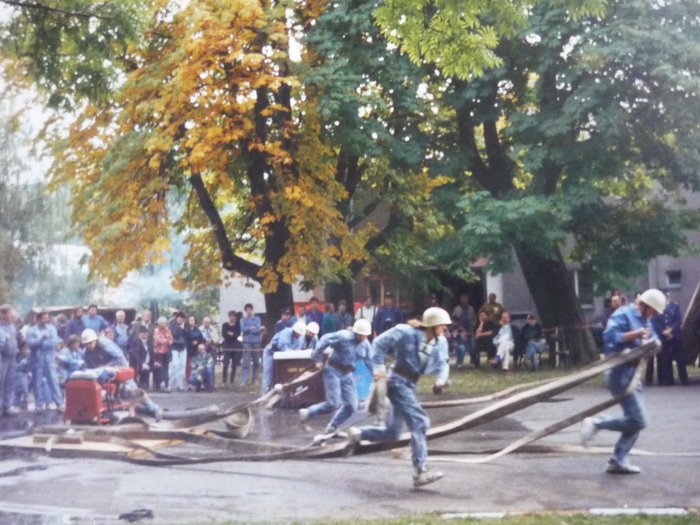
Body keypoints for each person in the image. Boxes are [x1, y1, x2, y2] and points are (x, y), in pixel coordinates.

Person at [348, 307, 451, 487]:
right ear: (432, 325)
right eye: (442, 325)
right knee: (420, 422)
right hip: (397, 382)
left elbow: (443, 364)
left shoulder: (440, 342)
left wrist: (440, 381)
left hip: (410, 385)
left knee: (393, 432)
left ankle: (359, 433)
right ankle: (420, 472)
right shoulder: (406, 332)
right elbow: (379, 343)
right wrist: (379, 368)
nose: (446, 328)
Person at [580, 288, 666, 474]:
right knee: (639, 420)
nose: (653, 315)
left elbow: (651, 337)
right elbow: (608, 336)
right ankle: (597, 423)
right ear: (645, 305)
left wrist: (654, 343)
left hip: (634, 374)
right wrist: (635, 334)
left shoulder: (646, 319)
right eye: (653, 311)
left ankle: (617, 460)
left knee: (635, 420)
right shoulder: (623, 314)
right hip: (618, 373)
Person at [300, 319, 373, 434]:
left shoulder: (366, 345)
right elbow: (325, 339)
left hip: (347, 374)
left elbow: (370, 361)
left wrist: (379, 375)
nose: (362, 338)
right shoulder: (344, 337)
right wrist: (317, 358)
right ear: (355, 332)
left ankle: (332, 427)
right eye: (360, 335)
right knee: (333, 403)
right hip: (333, 370)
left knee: (351, 406)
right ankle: (308, 412)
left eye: (365, 336)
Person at [81, 329, 162, 420]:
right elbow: (89, 368)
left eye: (90, 343)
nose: (88, 346)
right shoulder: (85, 353)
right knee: (106, 391)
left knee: (132, 391)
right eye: (86, 344)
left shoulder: (105, 344)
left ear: (95, 340)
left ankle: (154, 408)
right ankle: (109, 411)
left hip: (119, 368)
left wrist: (106, 367)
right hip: (104, 372)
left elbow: (119, 357)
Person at [26, 310, 63, 412]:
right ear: (38, 319)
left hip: (49, 359)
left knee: (53, 382)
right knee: (37, 382)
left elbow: (53, 343)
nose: (46, 320)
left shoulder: (52, 329)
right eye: (43, 318)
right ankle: (39, 404)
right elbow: (31, 344)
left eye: (47, 318)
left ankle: (59, 404)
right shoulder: (31, 330)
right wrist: (42, 339)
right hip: (36, 360)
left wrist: (40, 344)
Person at [648, 293, 686, 386]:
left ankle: (684, 378)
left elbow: (678, 320)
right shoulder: (657, 308)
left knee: (680, 359)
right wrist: (662, 331)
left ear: (668, 296)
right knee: (666, 359)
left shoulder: (675, 306)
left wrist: (671, 329)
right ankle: (668, 379)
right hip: (664, 337)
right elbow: (654, 321)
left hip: (675, 336)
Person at [261, 320, 307, 393]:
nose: (299, 335)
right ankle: (265, 393)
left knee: (281, 375)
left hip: (282, 356)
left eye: (300, 334)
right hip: (271, 352)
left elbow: (298, 349)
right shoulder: (286, 332)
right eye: (298, 333)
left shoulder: (301, 337)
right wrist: (291, 353)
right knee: (268, 375)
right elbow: (282, 345)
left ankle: (279, 392)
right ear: (294, 330)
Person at [0, 304, 20, 416]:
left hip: (12, 358)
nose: (12, 315)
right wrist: (4, 340)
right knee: (0, 382)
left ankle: (7, 406)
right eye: (10, 313)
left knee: (10, 383)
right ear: (2, 314)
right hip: (2, 359)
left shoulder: (12, 326)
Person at [240, 303, 262, 385]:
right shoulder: (242, 320)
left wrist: (249, 329)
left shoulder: (257, 319)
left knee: (256, 362)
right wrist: (252, 327)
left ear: (252, 310)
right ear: (245, 311)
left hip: (256, 342)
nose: (249, 311)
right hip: (247, 342)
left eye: (250, 310)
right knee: (246, 362)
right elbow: (243, 329)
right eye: (247, 310)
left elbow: (258, 329)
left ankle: (255, 379)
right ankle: (244, 379)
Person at [452, 293, 476, 362]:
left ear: (467, 300)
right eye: (462, 299)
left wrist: (472, 326)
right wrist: (456, 326)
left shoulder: (471, 309)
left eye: (465, 299)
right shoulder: (457, 308)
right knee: (459, 345)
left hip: (469, 330)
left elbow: (474, 320)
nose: (463, 300)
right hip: (459, 331)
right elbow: (454, 319)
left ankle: (473, 359)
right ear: (460, 300)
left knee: (472, 346)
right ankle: (459, 359)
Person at [168, 312, 188, 391]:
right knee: (174, 366)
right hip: (174, 348)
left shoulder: (185, 326)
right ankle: (169, 384)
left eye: (182, 318)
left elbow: (188, 335)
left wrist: (183, 328)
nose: (181, 320)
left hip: (183, 348)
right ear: (177, 318)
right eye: (179, 318)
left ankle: (179, 385)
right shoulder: (172, 325)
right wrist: (180, 341)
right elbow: (171, 337)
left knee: (182, 366)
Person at [221, 311, 242, 384]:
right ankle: (224, 381)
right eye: (231, 316)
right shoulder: (225, 325)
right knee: (225, 364)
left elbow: (238, 334)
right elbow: (224, 334)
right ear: (229, 316)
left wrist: (231, 334)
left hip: (235, 345)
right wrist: (232, 334)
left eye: (234, 316)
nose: (232, 317)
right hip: (226, 345)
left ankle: (232, 381)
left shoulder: (237, 325)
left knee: (234, 364)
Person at [153, 316, 173, 391]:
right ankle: (158, 385)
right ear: (159, 324)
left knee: (166, 369)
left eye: (165, 323)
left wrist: (165, 340)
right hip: (157, 352)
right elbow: (157, 340)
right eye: (163, 323)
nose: (164, 325)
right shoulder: (156, 330)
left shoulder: (168, 330)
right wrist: (166, 340)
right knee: (159, 368)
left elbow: (171, 340)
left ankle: (166, 384)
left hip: (166, 352)